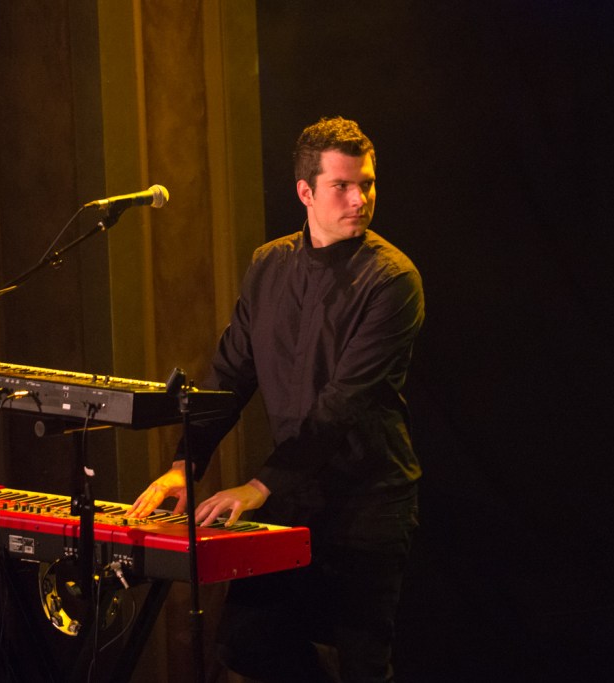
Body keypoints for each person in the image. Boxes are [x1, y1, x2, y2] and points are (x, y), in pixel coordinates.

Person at [128, 116, 424, 683]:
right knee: (247, 647)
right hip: (289, 497)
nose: (359, 198)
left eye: (367, 183)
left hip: (366, 501)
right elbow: (229, 375)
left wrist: (258, 486)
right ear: (305, 192)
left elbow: (344, 404)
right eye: (343, 185)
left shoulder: (393, 280)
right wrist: (184, 464)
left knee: (361, 664)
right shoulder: (270, 264)